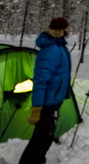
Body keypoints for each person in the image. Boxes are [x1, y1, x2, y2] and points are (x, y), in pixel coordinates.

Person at [20, 17, 72, 164]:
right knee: (41, 138)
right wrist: (37, 107)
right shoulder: (52, 50)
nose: (69, 30)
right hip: (47, 103)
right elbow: (40, 81)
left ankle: (38, 160)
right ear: (61, 30)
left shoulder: (59, 46)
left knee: (46, 137)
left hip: (54, 100)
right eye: (67, 28)